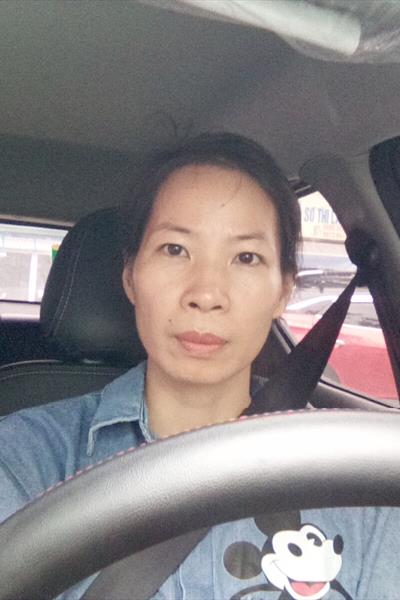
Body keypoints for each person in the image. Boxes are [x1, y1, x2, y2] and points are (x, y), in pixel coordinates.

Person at [0, 132, 399, 600]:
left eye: (246, 257)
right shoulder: (27, 459)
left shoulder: (356, 477)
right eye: (175, 249)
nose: (206, 293)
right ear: (130, 276)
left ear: (283, 290)